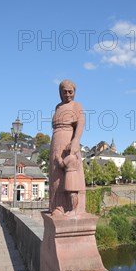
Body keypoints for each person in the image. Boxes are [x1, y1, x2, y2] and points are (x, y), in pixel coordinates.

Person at [49, 80, 86, 216]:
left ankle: (71, 207)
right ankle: (57, 206)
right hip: (55, 142)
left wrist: (75, 140)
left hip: (68, 142)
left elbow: (81, 123)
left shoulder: (76, 106)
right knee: (56, 175)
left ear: (74, 92)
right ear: (60, 92)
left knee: (68, 175)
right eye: (64, 92)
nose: (67, 94)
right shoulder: (58, 107)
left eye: (70, 92)